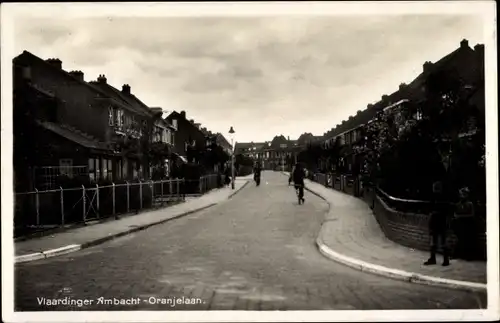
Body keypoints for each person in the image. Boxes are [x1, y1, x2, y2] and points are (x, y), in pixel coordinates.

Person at [424, 181, 451, 266]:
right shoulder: (442, 198)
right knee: (439, 240)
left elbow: (430, 210)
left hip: (438, 220)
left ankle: (438, 259)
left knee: (437, 240)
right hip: (439, 220)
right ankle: (442, 259)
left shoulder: (436, 198)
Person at [452, 187, 476, 260]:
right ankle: (456, 254)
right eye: (461, 194)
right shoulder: (458, 204)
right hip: (460, 225)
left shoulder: (470, 204)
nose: (462, 196)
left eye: (464, 195)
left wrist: (460, 216)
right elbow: (455, 214)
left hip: (467, 224)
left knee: (467, 240)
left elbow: (472, 215)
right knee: (458, 239)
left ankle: (467, 256)